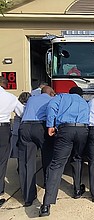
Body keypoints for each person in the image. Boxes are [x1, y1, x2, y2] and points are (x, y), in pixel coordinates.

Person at [39, 86, 89, 217]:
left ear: (69, 92)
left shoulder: (61, 97)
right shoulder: (85, 102)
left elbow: (51, 108)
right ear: (81, 94)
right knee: (77, 158)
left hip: (65, 129)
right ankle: (77, 190)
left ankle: (46, 205)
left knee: (57, 164)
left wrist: (50, 125)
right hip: (83, 130)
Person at [17, 86, 55, 207]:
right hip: (41, 127)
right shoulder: (51, 100)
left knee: (27, 162)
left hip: (25, 127)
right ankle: (47, 184)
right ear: (51, 93)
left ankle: (28, 197)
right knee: (47, 157)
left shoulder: (32, 99)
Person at [0, 76, 24, 207]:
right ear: (6, 85)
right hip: (2, 130)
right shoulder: (11, 98)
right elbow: (22, 112)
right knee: (2, 161)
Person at [10, 92, 31, 159]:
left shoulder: (17, 106)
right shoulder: (29, 108)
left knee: (17, 153)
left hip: (16, 131)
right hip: (26, 130)